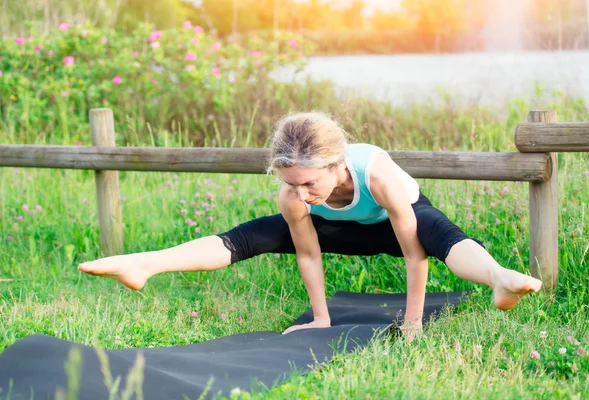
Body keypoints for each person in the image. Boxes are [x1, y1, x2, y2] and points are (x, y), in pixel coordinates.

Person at [78, 111, 543, 340]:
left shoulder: (375, 174)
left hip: (394, 221)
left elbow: (413, 253)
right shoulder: (294, 195)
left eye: (308, 183)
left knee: (443, 237)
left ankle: (500, 278)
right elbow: (307, 253)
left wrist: (414, 322)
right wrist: (321, 319)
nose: (300, 193)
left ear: (337, 164)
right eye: (290, 184)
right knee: (249, 235)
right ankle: (146, 264)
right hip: (335, 229)